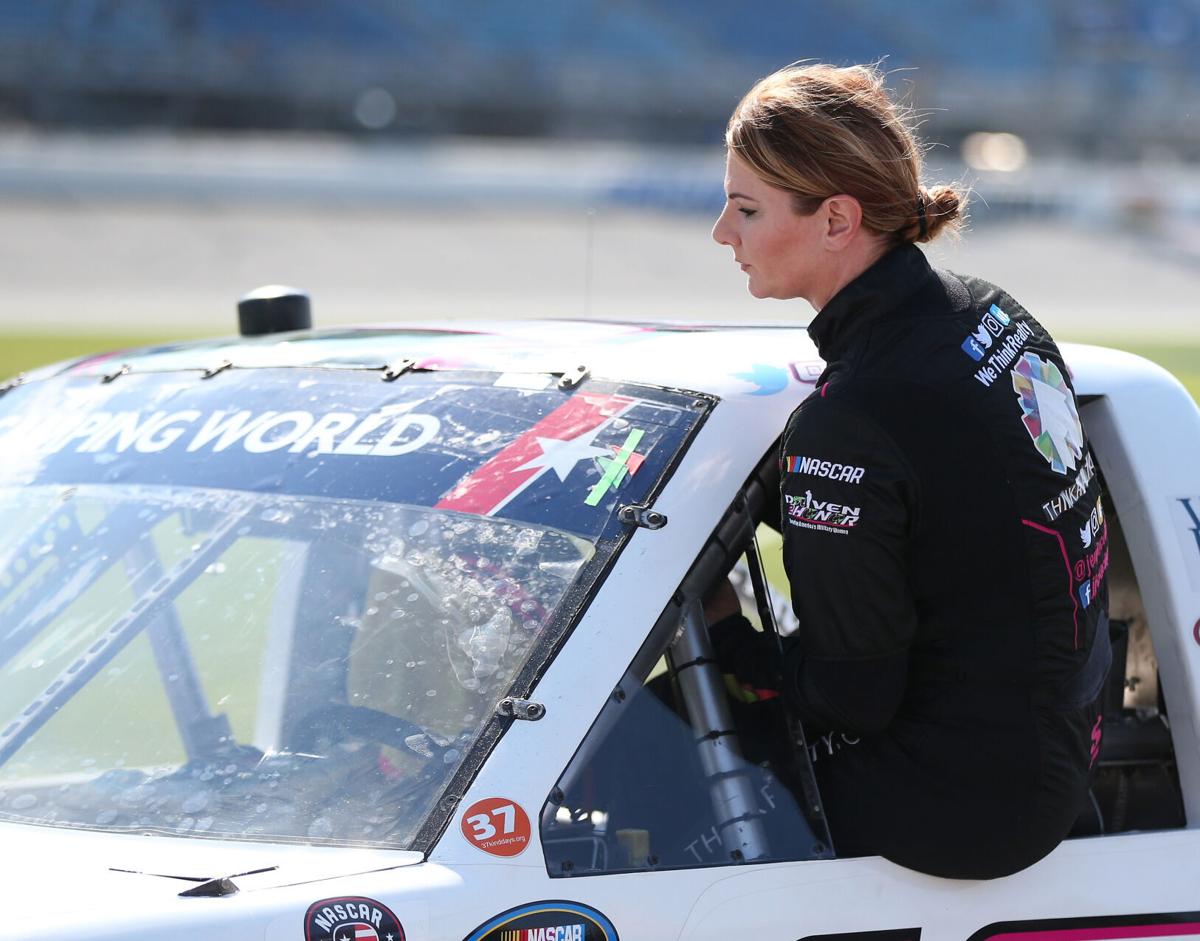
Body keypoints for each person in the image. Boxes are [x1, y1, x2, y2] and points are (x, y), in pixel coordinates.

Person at [707, 63, 1112, 879]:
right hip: (1057, 757)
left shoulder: (852, 421)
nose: (723, 232)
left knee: (648, 746)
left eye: (746, 209)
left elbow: (851, 697)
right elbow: (958, 504)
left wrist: (723, 630)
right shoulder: (996, 312)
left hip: (960, 814)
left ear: (837, 220)